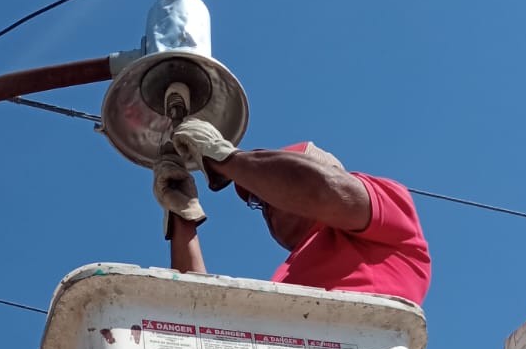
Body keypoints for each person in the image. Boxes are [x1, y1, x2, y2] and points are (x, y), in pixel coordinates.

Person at [152, 116, 431, 304]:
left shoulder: (391, 213)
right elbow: (202, 320)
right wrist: (182, 216)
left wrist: (223, 157)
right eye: (259, 199)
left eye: (270, 188)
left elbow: (321, 190)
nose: (264, 205)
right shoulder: (289, 283)